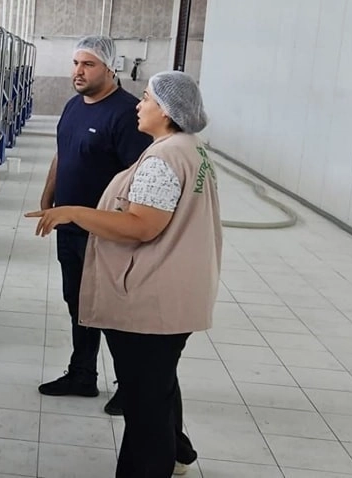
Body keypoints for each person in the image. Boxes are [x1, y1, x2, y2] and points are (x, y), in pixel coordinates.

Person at [27, 70, 221, 477]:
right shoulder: (191, 149)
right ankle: (177, 453)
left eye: (146, 98)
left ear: (166, 111)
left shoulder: (162, 159)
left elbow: (141, 226)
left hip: (152, 299)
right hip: (179, 291)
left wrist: (74, 213)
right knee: (157, 384)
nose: (138, 105)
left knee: (144, 404)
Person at [37, 36, 151, 417]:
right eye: (75, 64)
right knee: (79, 303)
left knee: (112, 310)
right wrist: (48, 195)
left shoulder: (127, 115)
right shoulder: (73, 106)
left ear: (110, 68)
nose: (78, 72)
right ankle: (82, 373)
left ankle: (132, 387)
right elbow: (63, 153)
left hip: (105, 233)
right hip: (70, 227)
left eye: (88, 65)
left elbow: (138, 178)